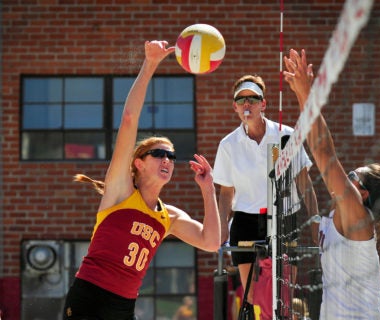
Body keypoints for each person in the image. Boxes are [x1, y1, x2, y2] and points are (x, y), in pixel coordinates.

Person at [62, 40, 221, 320]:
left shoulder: (168, 216)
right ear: (138, 162)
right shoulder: (121, 191)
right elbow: (128, 119)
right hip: (91, 296)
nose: (167, 160)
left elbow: (211, 242)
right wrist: (150, 64)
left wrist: (208, 190)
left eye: (171, 156)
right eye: (159, 153)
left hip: (124, 305)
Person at [283, 48, 380, 319]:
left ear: (361, 193)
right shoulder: (343, 220)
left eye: (352, 176)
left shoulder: (359, 218)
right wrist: (301, 178)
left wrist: (306, 93)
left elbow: (325, 154)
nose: (346, 176)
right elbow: (316, 230)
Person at [212, 74, 319, 315]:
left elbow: (305, 183)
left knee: (283, 295)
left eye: (253, 98)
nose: (247, 104)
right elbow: (226, 192)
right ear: (235, 107)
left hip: (284, 219)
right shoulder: (228, 144)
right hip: (246, 221)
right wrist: (221, 228)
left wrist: (315, 221)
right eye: (241, 100)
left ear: (264, 104)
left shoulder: (286, 135)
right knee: (252, 293)